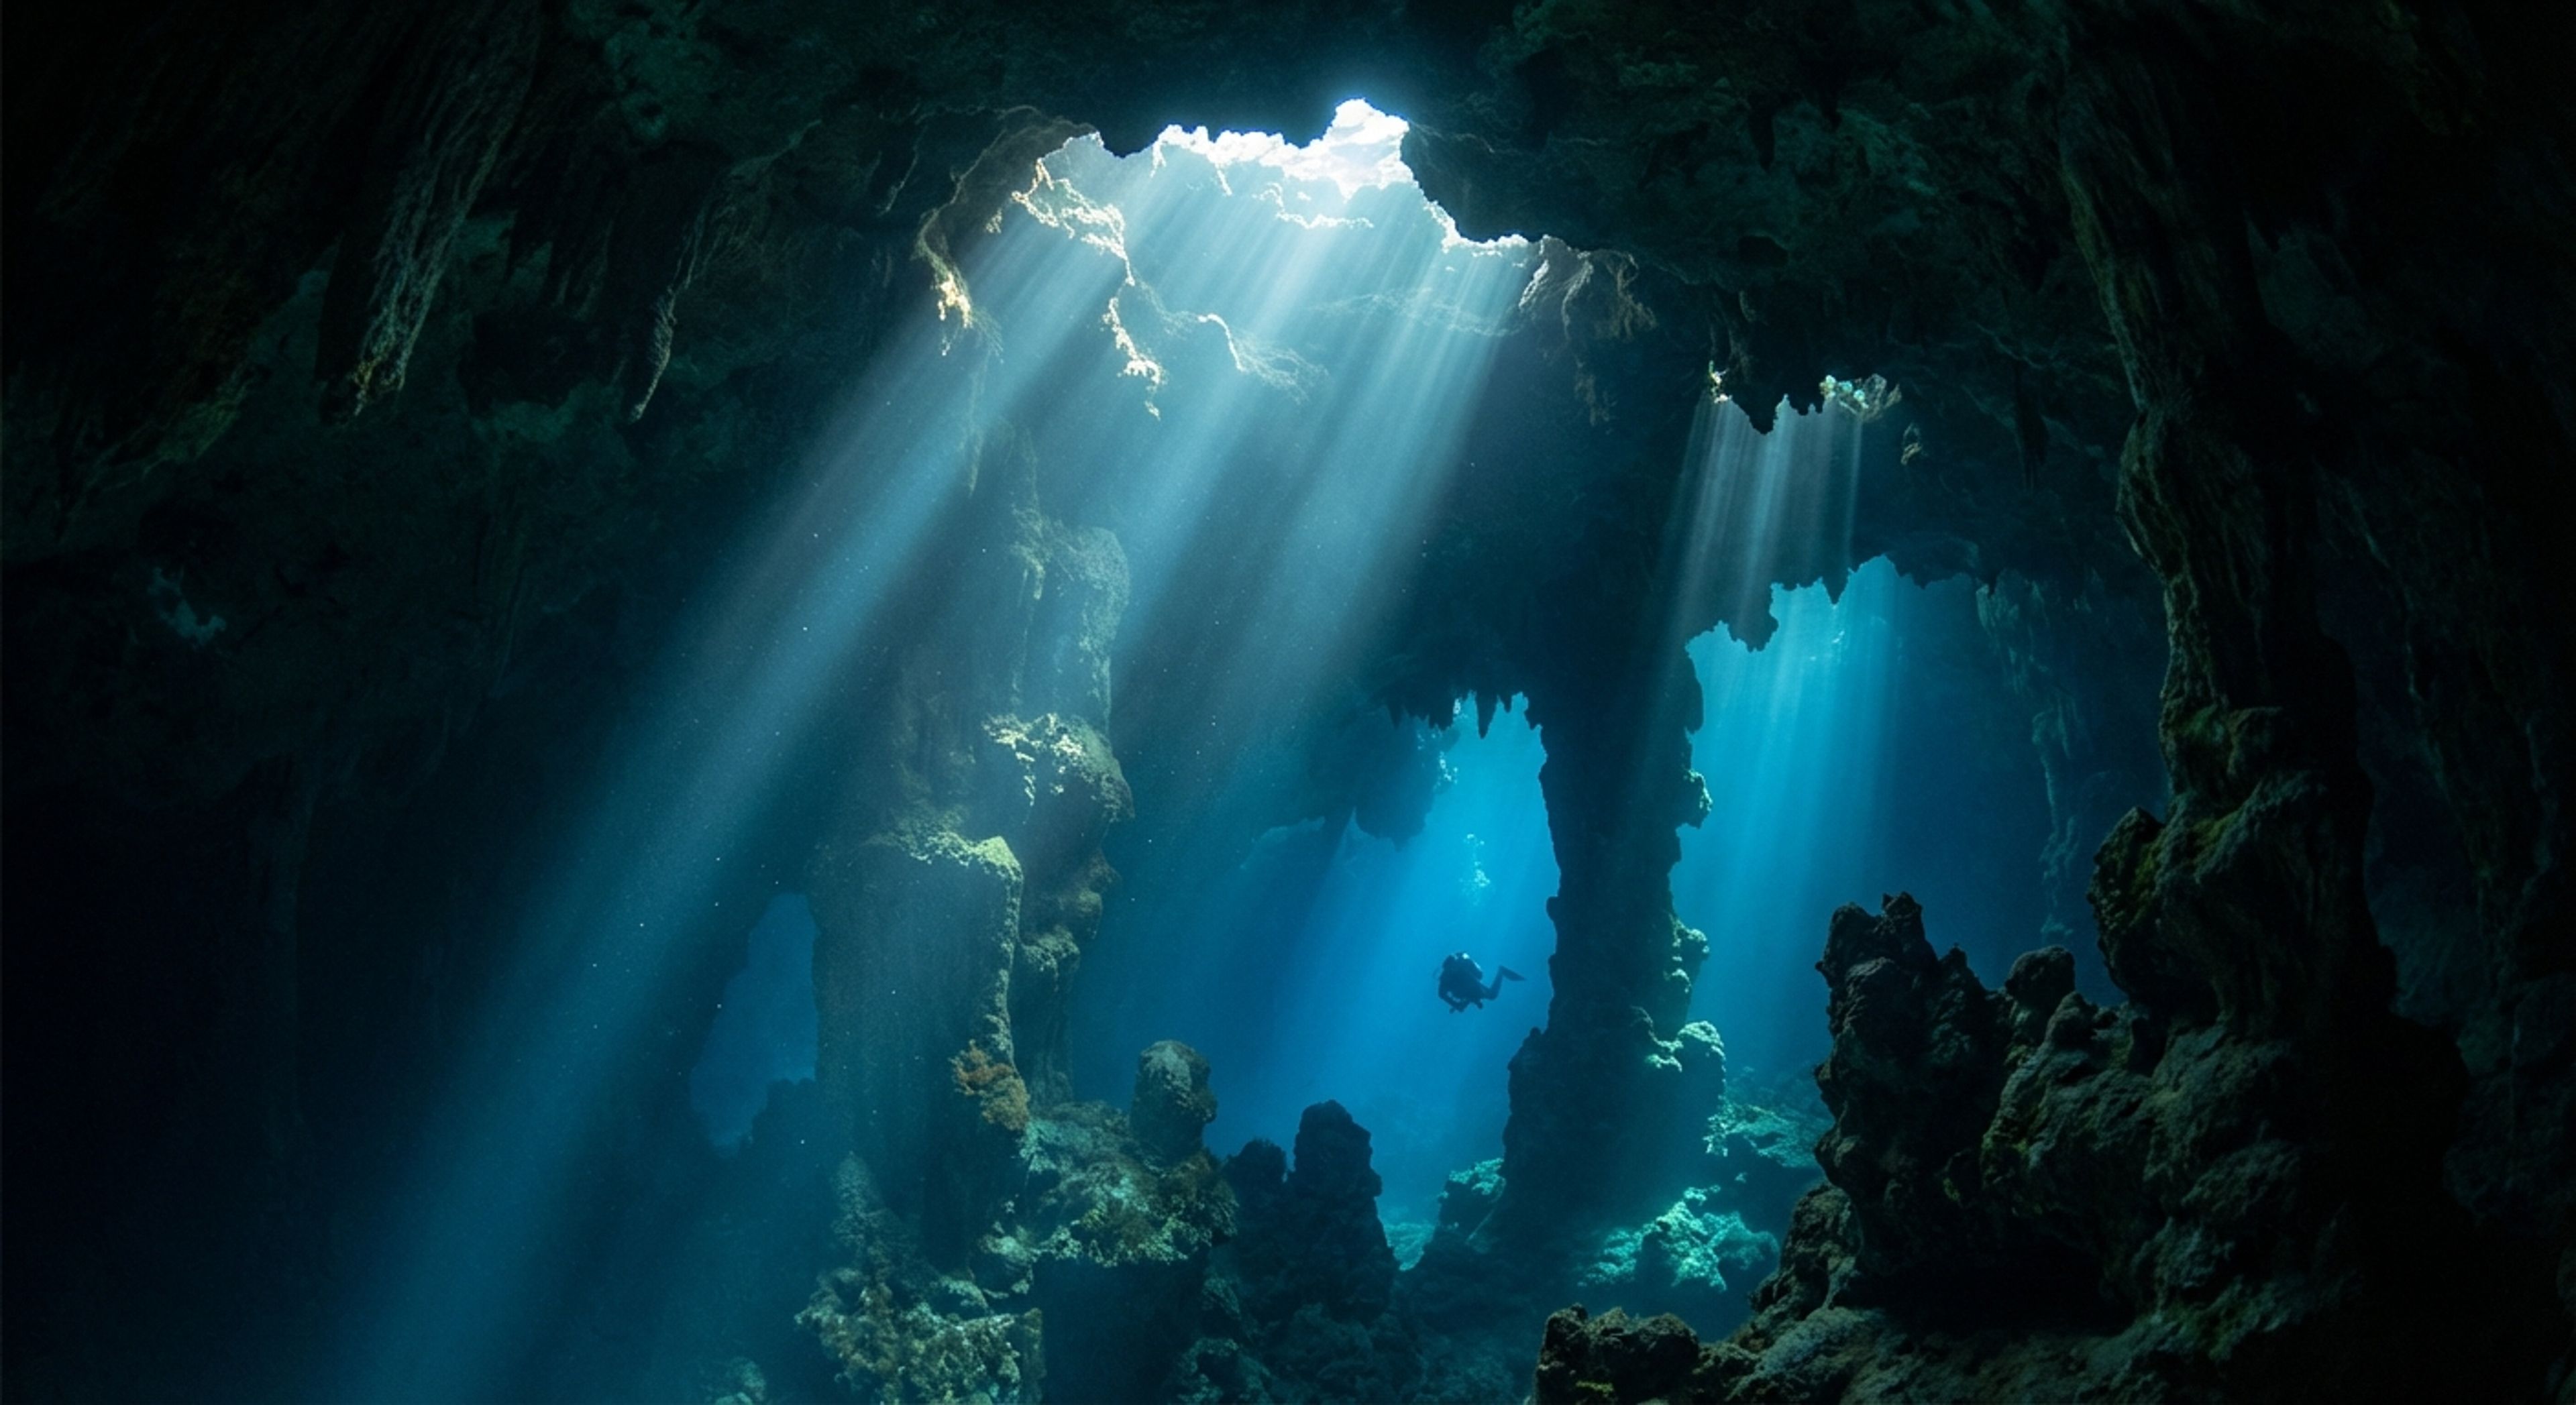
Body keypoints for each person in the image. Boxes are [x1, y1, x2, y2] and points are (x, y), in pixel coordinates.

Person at [1437, 952, 1523, 1011]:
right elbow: (1442, 995)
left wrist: (1457, 1005)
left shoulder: (1461, 970)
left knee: (1491, 995)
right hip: (1469, 989)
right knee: (1487, 996)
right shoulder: (1446, 980)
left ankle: (1501, 971)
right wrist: (1456, 1005)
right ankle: (1501, 972)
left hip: (1472, 985)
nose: (1454, 969)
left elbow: (1474, 982)